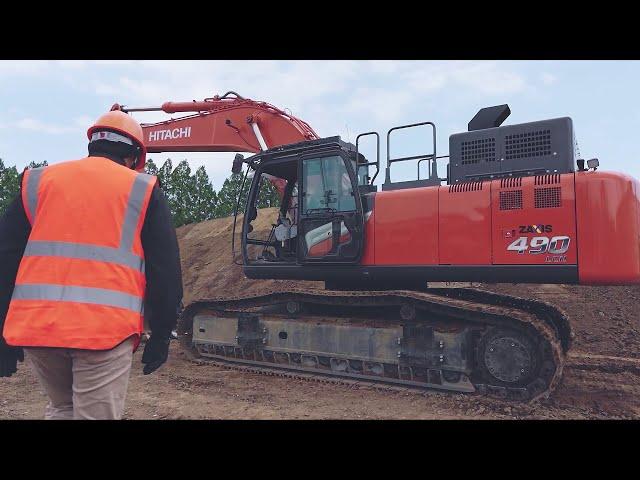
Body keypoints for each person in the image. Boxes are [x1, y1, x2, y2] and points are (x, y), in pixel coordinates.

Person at [0, 108, 183, 420]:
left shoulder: (38, 182)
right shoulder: (142, 189)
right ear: (136, 154)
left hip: (39, 329)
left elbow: (5, 257)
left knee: (62, 408)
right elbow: (164, 272)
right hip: (104, 333)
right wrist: (163, 333)